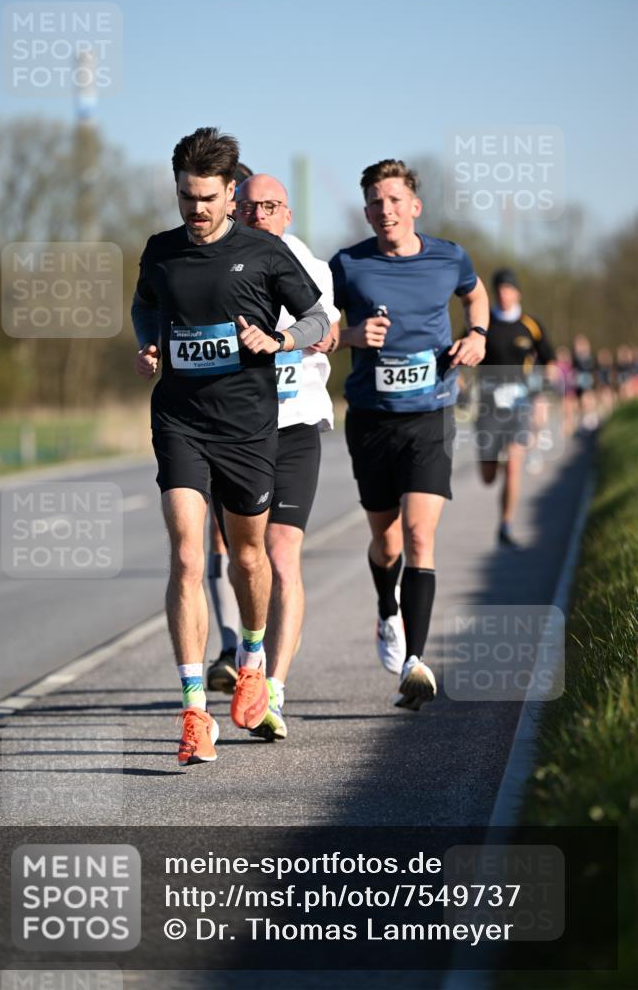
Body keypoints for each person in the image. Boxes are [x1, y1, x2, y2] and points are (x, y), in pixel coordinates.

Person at [131, 128, 328, 764]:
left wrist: (282, 341)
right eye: (187, 198)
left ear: (230, 193)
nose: (197, 210)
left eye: (209, 199)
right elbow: (144, 306)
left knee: (249, 560)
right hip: (181, 420)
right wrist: (153, 341)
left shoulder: (264, 252)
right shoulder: (160, 252)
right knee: (188, 558)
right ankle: (193, 712)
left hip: (247, 428)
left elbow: (321, 318)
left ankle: (251, 655)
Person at [329, 159, 488, 711]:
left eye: (394, 200)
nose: (385, 210)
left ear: (414, 206)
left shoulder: (449, 256)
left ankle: (415, 663)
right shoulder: (347, 264)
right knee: (387, 539)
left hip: (431, 413)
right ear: (366, 209)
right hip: (371, 418)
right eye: (374, 201)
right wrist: (350, 333)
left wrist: (478, 335)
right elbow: (314, 327)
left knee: (420, 534)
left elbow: (476, 294)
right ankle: (387, 610)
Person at [206, 173, 340, 741]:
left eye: (271, 207)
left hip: (294, 426)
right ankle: (237, 646)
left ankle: (273, 688)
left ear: (286, 213)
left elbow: (328, 331)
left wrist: (305, 336)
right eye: (251, 207)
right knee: (241, 554)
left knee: (282, 553)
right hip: (235, 429)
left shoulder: (309, 265)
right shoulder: (218, 262)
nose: (260, 215)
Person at [206, 161, 254, 694]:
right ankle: (227, 648)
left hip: (279, 424)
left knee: (262, 551)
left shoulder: (284, 255)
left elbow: (325, 325)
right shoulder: (196, 256)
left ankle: (261, 659)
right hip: (209, 419)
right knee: (215, 539)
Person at [475, 268, 555, 548]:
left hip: (520, 405)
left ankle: (506, 525)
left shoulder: (530, 325)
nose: (503, 294)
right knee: (487, 476)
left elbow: (550, 363)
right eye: (498, 290)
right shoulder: (483, 323)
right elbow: (465, 356)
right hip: (488, 407)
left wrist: (542, 396)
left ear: (517, 292)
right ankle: (492, 462)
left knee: (514, 465)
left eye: (508, 289)